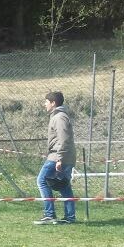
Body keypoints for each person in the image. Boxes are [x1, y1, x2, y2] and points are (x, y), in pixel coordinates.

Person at [35, 91, 77, 225]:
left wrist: (59, 159)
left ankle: (50, 214)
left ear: (53, 103)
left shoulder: (59, 117)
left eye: (46, 102)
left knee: (42, 180)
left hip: (58, 156)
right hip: (62, 155)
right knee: (63, 185)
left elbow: (64, 139)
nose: (44, 104)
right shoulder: (59, 116)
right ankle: (70, 217)